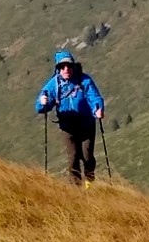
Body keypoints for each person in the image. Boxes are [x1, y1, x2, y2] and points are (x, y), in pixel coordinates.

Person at [34, 50, 104, 183]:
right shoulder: (53, 85)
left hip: (86, 124)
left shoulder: (84, 80)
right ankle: (75, 187)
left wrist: (98, 109)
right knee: (73, 157)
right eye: (62, 66)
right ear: (58, 68)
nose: (66, 69)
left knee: (87, 156)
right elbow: (40, 107)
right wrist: (43, 103)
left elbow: (94, 97)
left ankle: (89, 182)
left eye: (69, 66)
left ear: (73, 66)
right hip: (67, 127)